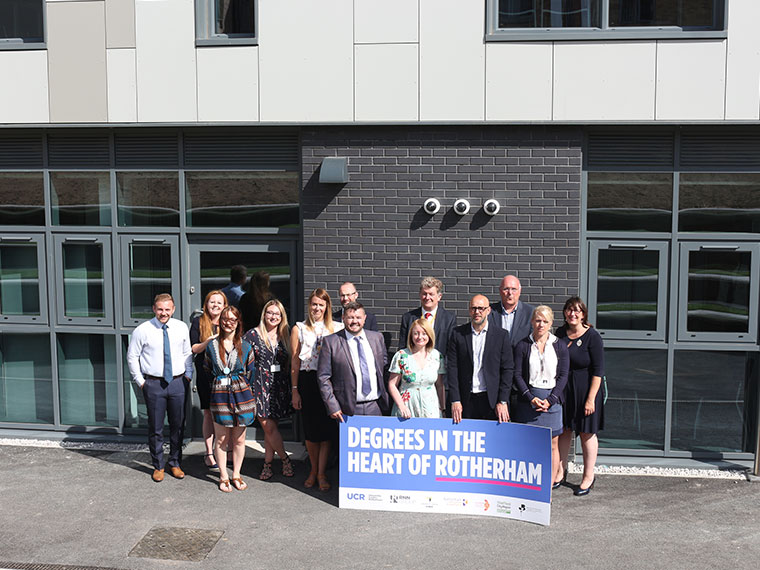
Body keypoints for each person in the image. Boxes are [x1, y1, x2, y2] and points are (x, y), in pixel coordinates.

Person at [127, 293, 193, 483]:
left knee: (178, 426)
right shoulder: (143, 330)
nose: (163, 313)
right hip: (154, 384)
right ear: (154, 309)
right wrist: (141, 381)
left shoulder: (181, 327)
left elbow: (187, 352)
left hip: (178, 382)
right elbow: (132, 357)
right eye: (160, 309)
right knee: (155, 427)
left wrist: (188, 375)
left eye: (167, 309)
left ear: (173, 309)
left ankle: (175, 463)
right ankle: (158, 465)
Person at [291, 288, 343, 491]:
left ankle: (321, 473)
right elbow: (295, 361)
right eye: (314, 304)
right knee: (311, 431)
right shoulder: (299, 328)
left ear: (327, 307)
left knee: (326, 431)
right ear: (309, 305)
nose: (317, 308)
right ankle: (313, 470)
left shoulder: (336, 328)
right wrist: (294, 389)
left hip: (329, 382)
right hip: (307, 380)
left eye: (321, 305)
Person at [512, 305, 570, 491]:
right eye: (538, 320)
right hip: (529, 402)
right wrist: (530, 397)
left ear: (551, 323)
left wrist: (551, 400)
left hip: (552, 402)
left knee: (553, 445)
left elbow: (563, 376)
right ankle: (528, 483)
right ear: (532, 322)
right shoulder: (523, 345)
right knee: (528, 444)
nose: (541, 324)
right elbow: (518, 375)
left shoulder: (560, 345)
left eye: (545, 321)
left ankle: (549, 484)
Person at [556, 296, 605, 496]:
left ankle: (588, 476)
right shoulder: (560, 333)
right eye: (569, 310)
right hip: (565, 390)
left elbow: (598, 370)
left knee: (586, 432)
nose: (573, 314)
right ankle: (559, 472)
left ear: (583, 314)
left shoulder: (592, 336)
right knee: (564, 430)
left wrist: (591, 399)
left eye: (577, 310)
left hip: (587, 390)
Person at [206, 306, 256, 492]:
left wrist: (239, 385)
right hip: (219, 396)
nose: (228, 323)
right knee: (221, 439)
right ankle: (223, 475)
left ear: (238, 322)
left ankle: (236, 473)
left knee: (239, 439)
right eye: (225, 319)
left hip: (242, 395)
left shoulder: (246, 346)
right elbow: (206, 369)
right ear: (220, 321)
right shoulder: (211, 346)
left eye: (232, 320)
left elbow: (251, 371)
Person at [243, 299, 294, 481]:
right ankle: (286, 460)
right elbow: (243, 362)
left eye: (277, 314)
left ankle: (268, 464)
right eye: (270, 313)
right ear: (264, 314)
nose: (273, 316)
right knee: (268, 427)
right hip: (258, 387)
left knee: (271, 430)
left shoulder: (285, 335)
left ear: (282, 317)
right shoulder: (252, 335)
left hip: (279, 388)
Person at [318, 301, 389, 426]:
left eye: (358, 317)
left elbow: (384, 368)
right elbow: (323, 378)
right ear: (343, 318)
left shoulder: (377, 338)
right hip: (346, 410)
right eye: (350, 317)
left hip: (376, 407)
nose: (354, 321)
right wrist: (333, 406)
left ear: (364, 318)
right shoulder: (330, 342)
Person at [447, 295, 513, 423]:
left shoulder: (501, 335)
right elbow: (452, 368)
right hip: (466, 400)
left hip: (491, 400)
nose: (477, 312)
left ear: (488, 310)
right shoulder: (458, 334)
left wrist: (503, 400)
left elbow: (508, 369)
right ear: (469, 310)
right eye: (474, 308)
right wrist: (455, 400)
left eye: (481, 308)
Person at [190, 290, 228, 472]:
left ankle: (223, 450)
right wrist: (210, 341)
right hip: (205, 374)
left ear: (225, 305)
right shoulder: (198, 322)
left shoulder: (228, 321)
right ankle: (209, 453)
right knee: (208, 413)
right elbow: (194, 349)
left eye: (219, 303)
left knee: (223, 412)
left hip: (225, 376)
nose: (215, 305)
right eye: (212, 302)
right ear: (206, 304)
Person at [387, 318, 444, 418]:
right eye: (416, 333)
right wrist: (401, 406)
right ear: (411, 335)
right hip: (407, 409)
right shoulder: (401, 356)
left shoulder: (437, 356)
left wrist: (442, 408)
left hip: (430, 409)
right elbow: (392, 384)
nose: (420, 337)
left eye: (424, 333)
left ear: (429, 335)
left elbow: (439, 385)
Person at [398, 276, 456, 354]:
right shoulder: (408, 318)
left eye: (431, 294)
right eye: (424, 294)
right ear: (420, 295)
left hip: (438, 364)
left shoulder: (449, 319)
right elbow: (403, 346)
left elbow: (451, 349)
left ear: (439, 297)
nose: (427, 297)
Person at [488, 274, 535, 347]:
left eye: (514, 289)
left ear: (519, 291)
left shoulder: (530, 312)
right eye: (506, 289)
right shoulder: (489, 311)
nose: (510, 293)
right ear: (500, 291)